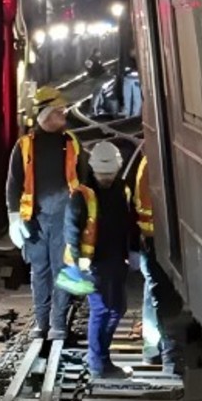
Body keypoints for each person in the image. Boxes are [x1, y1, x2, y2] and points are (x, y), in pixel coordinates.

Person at [6, 86, 86, 340]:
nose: (64, 114)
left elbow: (84, 183)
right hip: (35, 219)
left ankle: (58, 324)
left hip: (65, 217)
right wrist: (14, 217)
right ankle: (42, 323)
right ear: (46, 114)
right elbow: (13, 183)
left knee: (61, 269)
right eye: (59, 111)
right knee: (39, 270)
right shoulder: (25, 146)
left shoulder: (71, 143)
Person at [65, 141, 136, 379]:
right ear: (94, 169)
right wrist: (79, 260)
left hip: (116, 259)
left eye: (110, 174)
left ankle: (100, 357)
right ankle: (98, 363)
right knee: (101, 309)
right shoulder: (81, 195)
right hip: (92, 263)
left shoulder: (122, 189)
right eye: (102, 174)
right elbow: (72, 230)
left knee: (117, 309)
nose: (106, 178)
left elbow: (130, 221)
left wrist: (133, 250)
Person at [130, 152, 180, 373]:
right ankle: (163, 353)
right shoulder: (150, 165)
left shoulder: (147, 163)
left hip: (153, 239)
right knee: (159, 295)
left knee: (153, 294)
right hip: (154, 241)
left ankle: (153, 351)